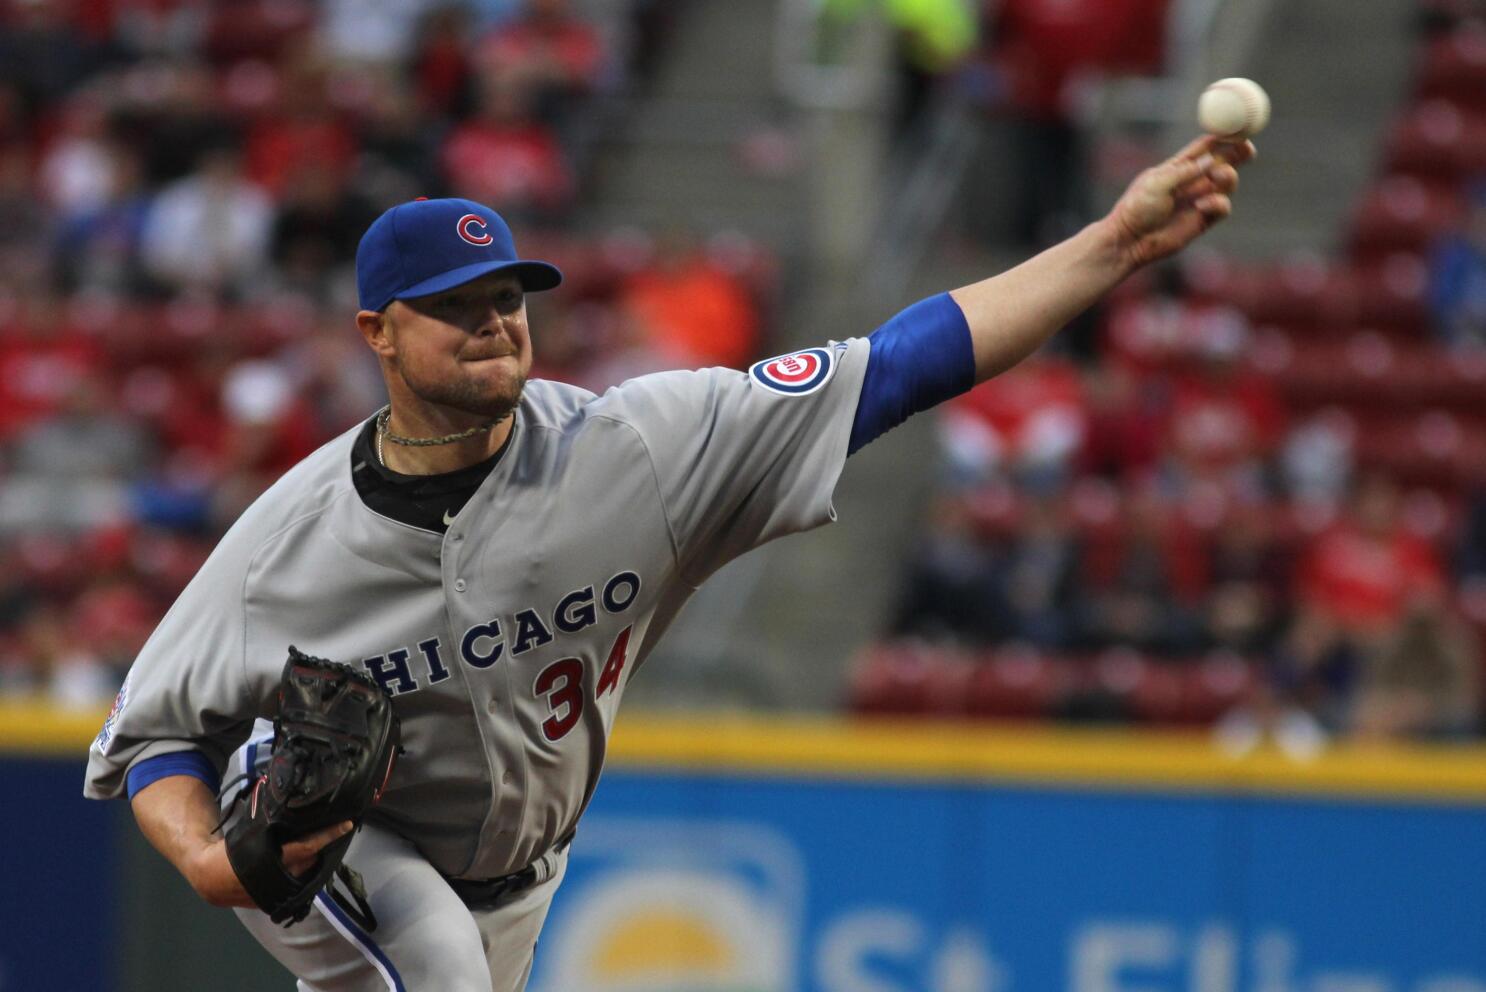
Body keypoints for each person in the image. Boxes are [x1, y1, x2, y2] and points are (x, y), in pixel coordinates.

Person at [84, 136, 1251, 991]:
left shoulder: (637, 451)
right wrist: (206, 856)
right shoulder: (287, 538)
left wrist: (1110, 245)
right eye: (454, 306)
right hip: (333, 836)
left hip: (522, 870)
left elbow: (896, 367)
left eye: (508, 296)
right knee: (428, 968)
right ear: (376, 332)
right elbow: (150, 732)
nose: (493, 320)